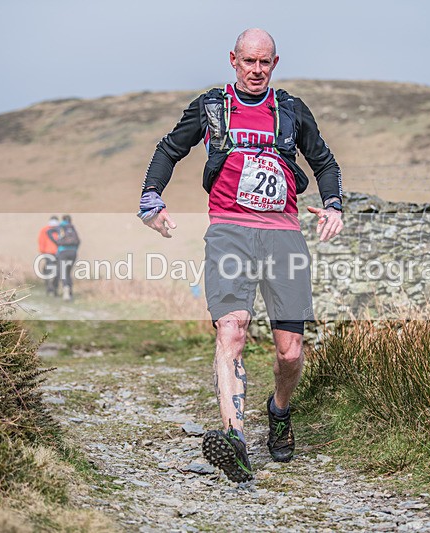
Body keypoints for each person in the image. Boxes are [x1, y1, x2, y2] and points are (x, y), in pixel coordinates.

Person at [138, 28, 344, 483]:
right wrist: (151, 197)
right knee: (231, 330)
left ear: (275, 63)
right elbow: (170, 149)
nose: (256, 70)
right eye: (248, 61)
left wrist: (333, 205)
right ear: (233, 60)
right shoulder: (212, 106)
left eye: (264, 62)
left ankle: (279, 410)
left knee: (290, 353)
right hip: (229, 233)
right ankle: (235, 438)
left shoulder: (290, 110)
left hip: (284, 236)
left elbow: (324, 162)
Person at [56, 214, 80, 302]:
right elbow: (78, 241)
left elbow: (58, 240)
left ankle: (66, 290)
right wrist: (74, 250)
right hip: (73, 253)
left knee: (64, 272)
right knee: (68, 272)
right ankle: (70, 293)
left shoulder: (61, 227)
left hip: (63, 252)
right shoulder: (72, 228)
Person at [38, 215, 60, 295]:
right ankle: (53, 287)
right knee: (56, 269)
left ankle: (50, 286)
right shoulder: (59, 229)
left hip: (48, 252)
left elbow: (41, 241)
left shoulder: (45, 229)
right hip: (57, 252)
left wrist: (42, 251)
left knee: (48, 270)